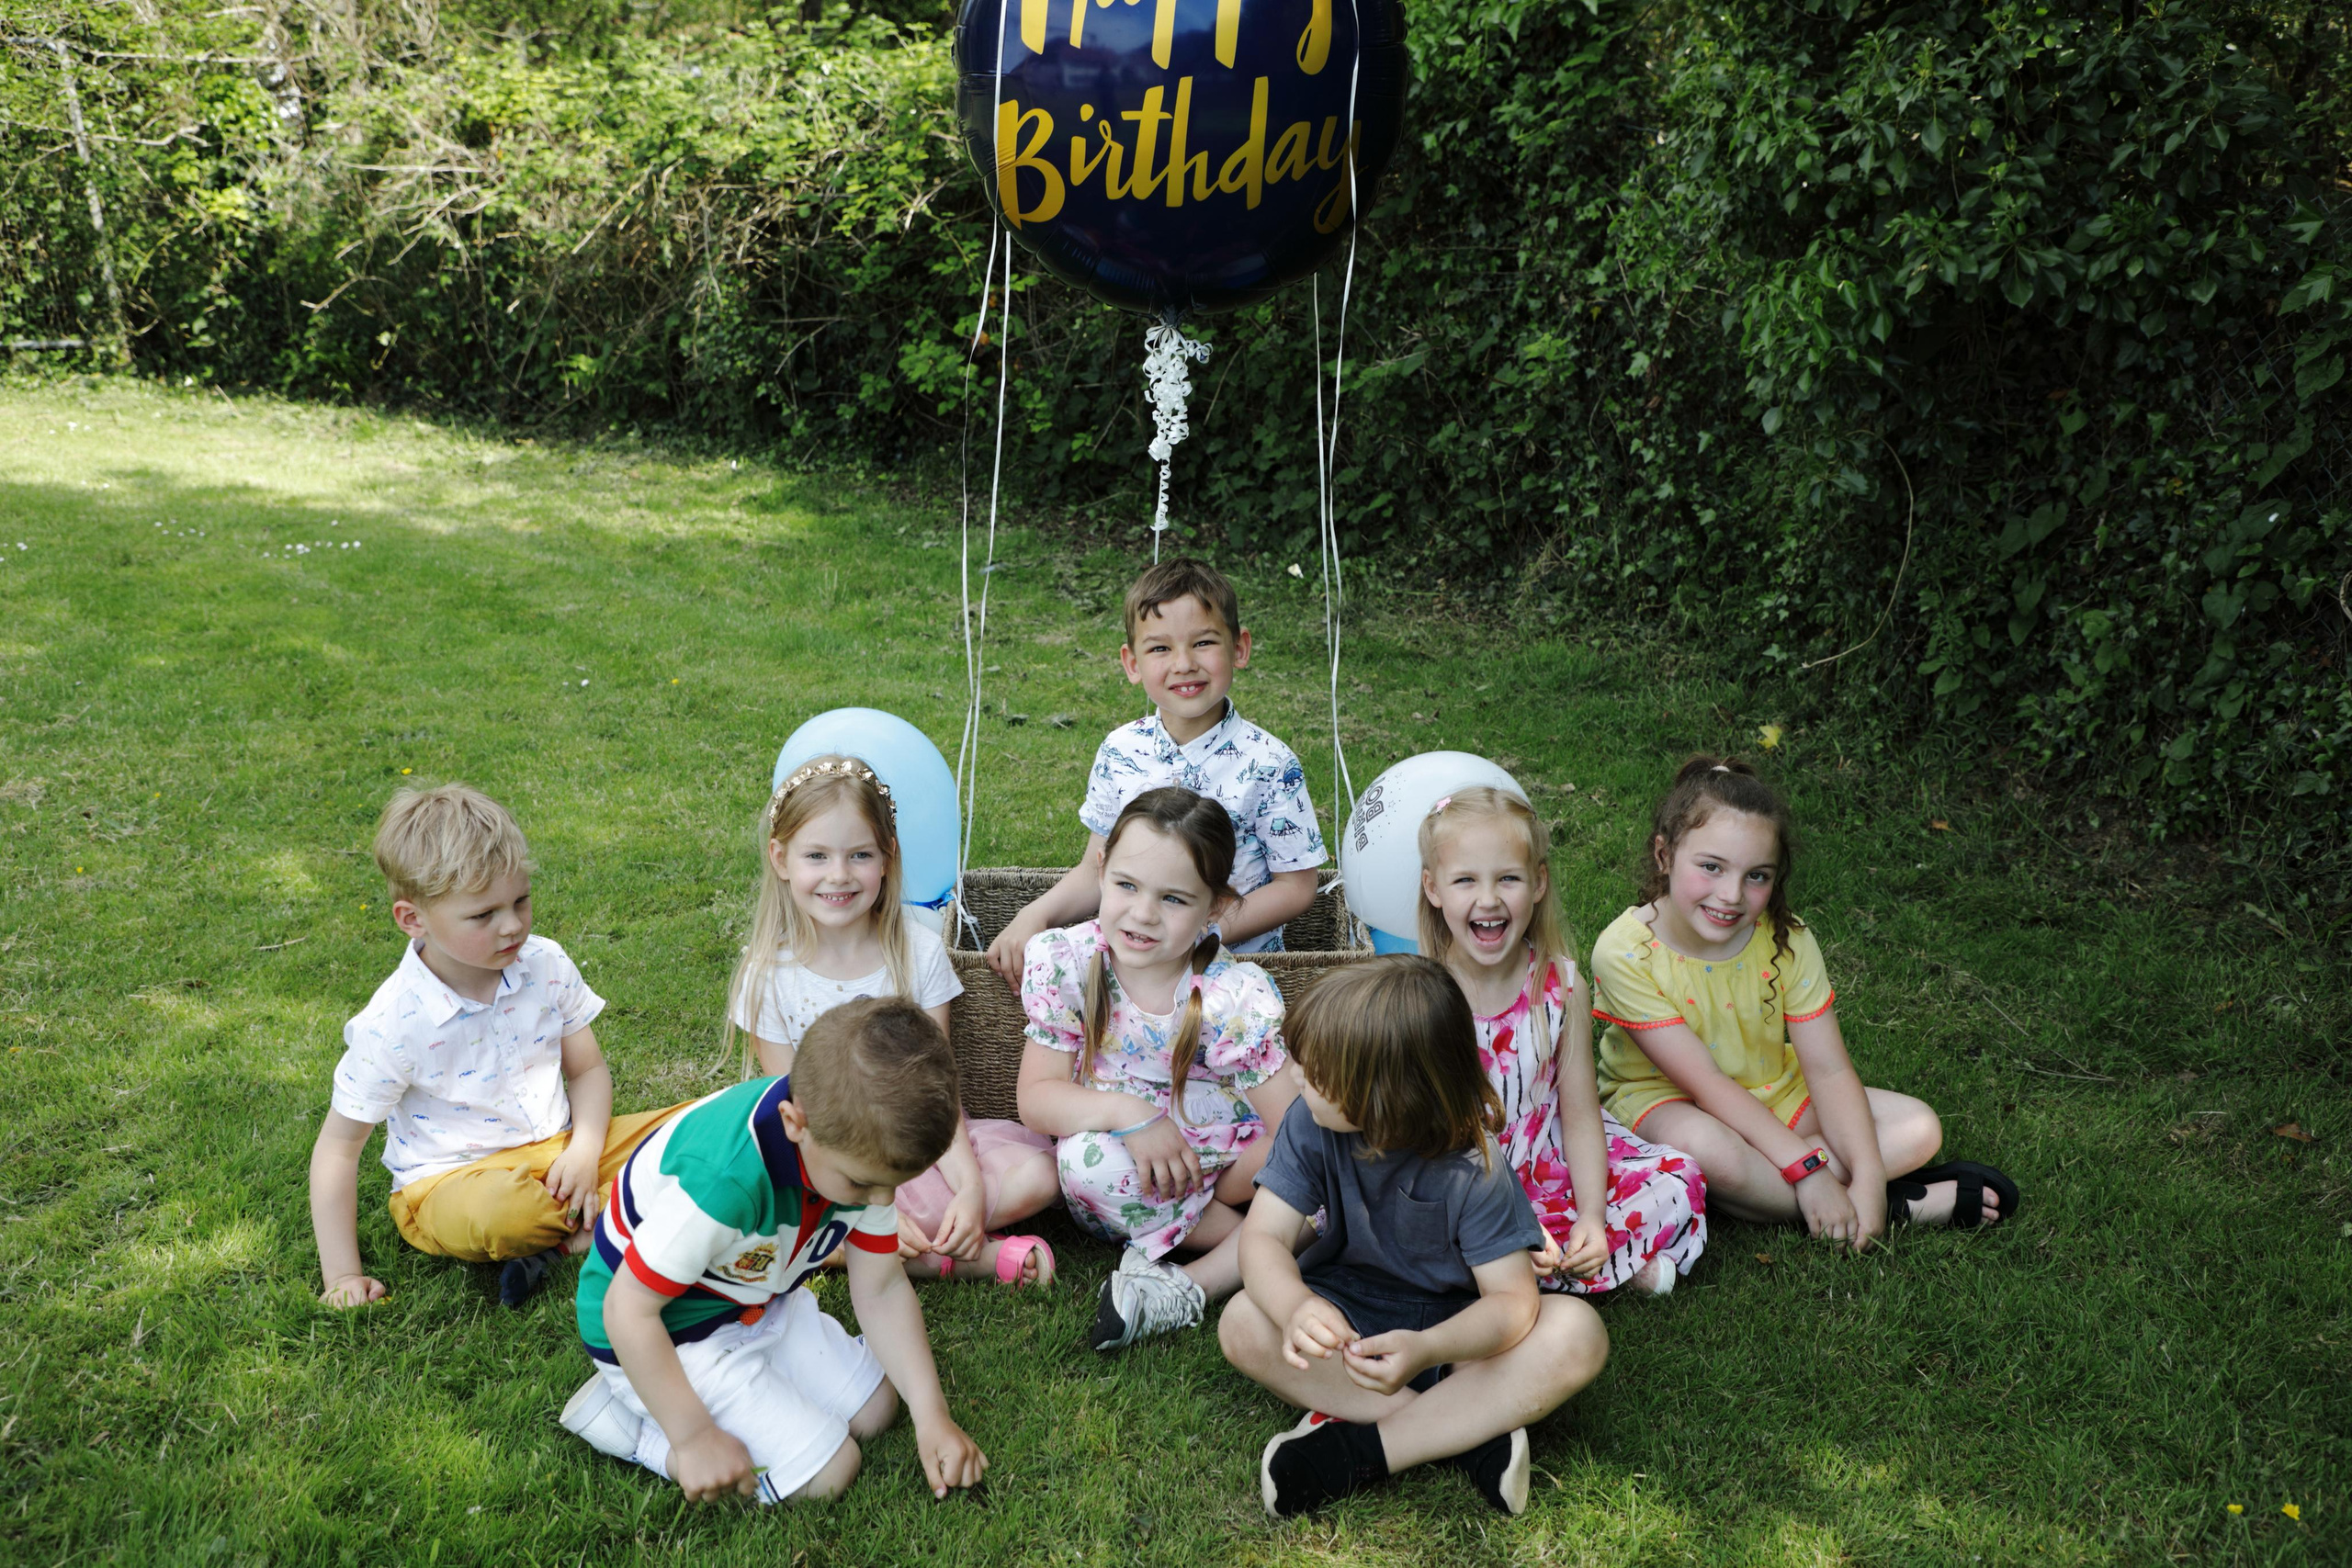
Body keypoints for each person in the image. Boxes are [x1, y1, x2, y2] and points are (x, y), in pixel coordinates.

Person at [1218, 957, 1611, 1517]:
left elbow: (1512, 1304)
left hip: (1459, 1340)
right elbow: (1261, 1241)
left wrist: (1428, 1349)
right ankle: (1468, 1434)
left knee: (1578, 1333)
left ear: (1384, 1095)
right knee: (1241, 1320)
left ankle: (1361, 1451)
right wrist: (1295, 1306)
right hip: (1346, 1319)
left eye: (1314, 1069)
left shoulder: (1473, 1168)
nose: (1294, 1075)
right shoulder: (1310, 1122)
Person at [558, 998, 989, 1505]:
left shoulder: (856, 1150)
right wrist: (693, 1439)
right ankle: (637, 1432)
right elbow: (626, 1309)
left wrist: (932, 1414)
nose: (879, 1202)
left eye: (889, 1186)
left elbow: (883, 1286)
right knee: (830, 1472)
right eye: (863, 1184)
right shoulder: (728, 1181)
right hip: (664, 1333)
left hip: (748, 1300)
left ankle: (756, 1383)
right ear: (793, 1122)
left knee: (877, 1412)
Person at [1591, 757, 2020, 1249]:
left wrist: (1864, 1173)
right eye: (1711, 867)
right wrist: (1807, 1171)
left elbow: (1829, 1070)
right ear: (1664, 855)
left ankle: (1811, 1195)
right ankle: (1902, 1203)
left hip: (1770, 1087)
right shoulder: (1626, 952)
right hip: (1667, 1101)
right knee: (1712, 1151)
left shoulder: (1786, 939)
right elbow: (1707, 1084)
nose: (1731, 895)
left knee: (1919, 1127)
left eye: (1757, 876)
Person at [309, 784, 684, 1310]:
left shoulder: (545, 963)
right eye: (483, 915)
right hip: (452, 1186)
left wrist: (582, 1151)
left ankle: (579, 1231)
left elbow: (588, 1071)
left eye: (520, 901)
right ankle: (623, 1217)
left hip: (563, 1152)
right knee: (502, 1212)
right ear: (412, 919)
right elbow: (338, 1150)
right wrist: (342, 1276)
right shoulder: (393, 1022)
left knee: (696, 1129)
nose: (512, 926)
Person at [727, 754, 1056, 1287]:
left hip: (916, 1145)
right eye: (817, 856)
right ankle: (954, 1259)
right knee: (762, 1215)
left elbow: (938, 1095)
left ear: (887, 857)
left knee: (1039, 1175)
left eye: (859, 855)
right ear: (781, 858)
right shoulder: (769, 974)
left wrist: (970, 1191)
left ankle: (892, 1246)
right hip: (820, 1160)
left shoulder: (918, 953)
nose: (839, 875)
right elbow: (791, 1117)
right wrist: (860, 1204)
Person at [1016, 787, 1297, 1350]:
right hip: (1127, 1162)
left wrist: (1224, 1186)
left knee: (1313, 1162)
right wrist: (1131, 1114)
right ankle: (1264, 1245)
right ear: (1100, 869)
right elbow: (1036, 1099)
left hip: (1225, 1156)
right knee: (1085, 1163)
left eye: (1173, 899)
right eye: (1126, 886)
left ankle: (1210, 1261)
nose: (1142, 915)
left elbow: (1294, 1132)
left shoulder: (1229, 997)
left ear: (1215, 906)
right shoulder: (1068, 963)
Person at [1419, 786, 1706, 1296]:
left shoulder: (1559, 985)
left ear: (1537, 883)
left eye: (1508, 878)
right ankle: (1574, 1264)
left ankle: (1576, 1254)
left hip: (1550, 1160)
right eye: (1465, 880)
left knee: (1680, 1176)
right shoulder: (1422, 993)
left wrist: (1592, 1216)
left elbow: (1578, 1113)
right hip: (1461, 1180)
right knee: (1430, 1227)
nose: (1488, 899)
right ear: (1434, 888)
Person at [986, 557, 1326, 981]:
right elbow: (1097, 868)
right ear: (1132, 663)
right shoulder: (1120, 750)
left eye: (1203, 643)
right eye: (1161, 648)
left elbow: (1296, 886)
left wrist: (1205, 930)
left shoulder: (1270, 764)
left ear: (1239, 648)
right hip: (1137, 966)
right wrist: (1035, 914)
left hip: (1234, 972)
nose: (1183, 663)